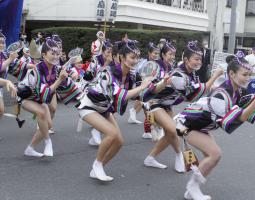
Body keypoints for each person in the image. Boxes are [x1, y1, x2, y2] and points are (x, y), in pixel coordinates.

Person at [175, 53, 255, 200]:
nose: (248, 78)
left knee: (213, 156)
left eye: (250, 75)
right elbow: (239, 118)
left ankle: (193, 188)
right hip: (186, 124)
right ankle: (192, 187)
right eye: (245, 74)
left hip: (201, 126)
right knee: (215, 154)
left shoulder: (239, 90)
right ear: (232, 74)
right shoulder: (221, 94)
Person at [140, 41, 223, 173]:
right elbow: (194, 94)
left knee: (174, 131)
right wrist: (215, 76)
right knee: (174, 130)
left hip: (166, 105)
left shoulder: (192, 74)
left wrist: (216, 87)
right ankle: (180, 156)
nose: (199, 62)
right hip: (153, 102)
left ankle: (151, 158)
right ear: (186, 60)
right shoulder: (179, 74)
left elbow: (200, 88)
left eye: (200, 59)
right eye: (196, 59)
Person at [76, 39, 152, 181]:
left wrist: (162, 83)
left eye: (137, 57)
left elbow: (141, 94)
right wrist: (143, 86)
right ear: (122, 57)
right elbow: (120, 95)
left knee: (119, 141)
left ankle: (98, 168)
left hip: (104, 108)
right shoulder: (108, 72)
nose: (135, 61)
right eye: (132, 57)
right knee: (111, 133)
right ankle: (97, 164)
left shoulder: (132, 75)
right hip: (89, 105)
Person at [18, 37, 69, 157]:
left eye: (58, 53)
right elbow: (44, 93)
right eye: (53, 53)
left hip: (39, 99)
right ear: (44, 55)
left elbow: (66, 74)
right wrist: (60, 79)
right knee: (41, 113)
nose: (56, 56)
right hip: (26, 97)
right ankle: (48, 142)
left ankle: (30, 149)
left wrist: (72, 74)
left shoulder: (55, 68)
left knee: (48, 125)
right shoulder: (37, 70)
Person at [0, 31, 18, 118]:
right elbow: (1, 67)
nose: (1, 45)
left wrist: (31, 66)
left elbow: (17, 65)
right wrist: (10, 59)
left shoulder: (4, 55)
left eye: (3, 43)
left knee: (1, 111)